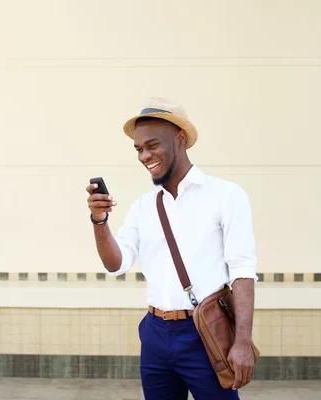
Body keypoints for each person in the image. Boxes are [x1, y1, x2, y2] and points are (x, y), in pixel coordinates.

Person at [86, 97, 258, 399]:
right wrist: (99, 221)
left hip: (204, 332)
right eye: (139, 149)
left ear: (180, 138)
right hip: (154, 333)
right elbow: (117, 263)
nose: (144, 155)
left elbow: (242, 270)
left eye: (152, 145)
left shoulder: (226, 195)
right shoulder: (144, 205)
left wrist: (243, 340)